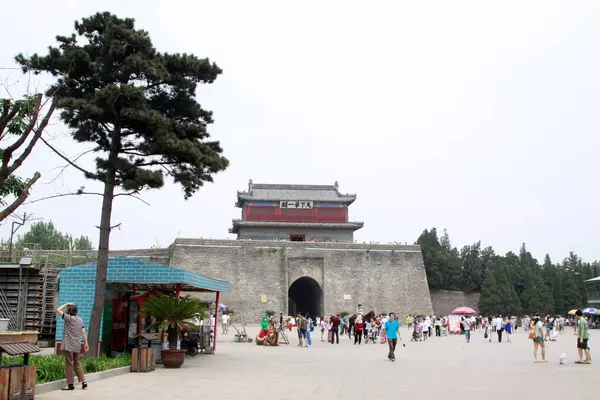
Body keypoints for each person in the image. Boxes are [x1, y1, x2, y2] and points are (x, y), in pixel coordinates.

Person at [56, 303, 88, 391]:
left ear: (69, 311)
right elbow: (83, 332)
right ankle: (83, 382)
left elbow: (58, 309)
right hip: (77, 345)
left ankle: (70, 384)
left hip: (69, 345)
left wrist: (66, 303)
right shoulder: (80, 320)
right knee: (77, 363)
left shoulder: (68, 318)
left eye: (67, 309)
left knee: (69, 364)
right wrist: (86, 343)